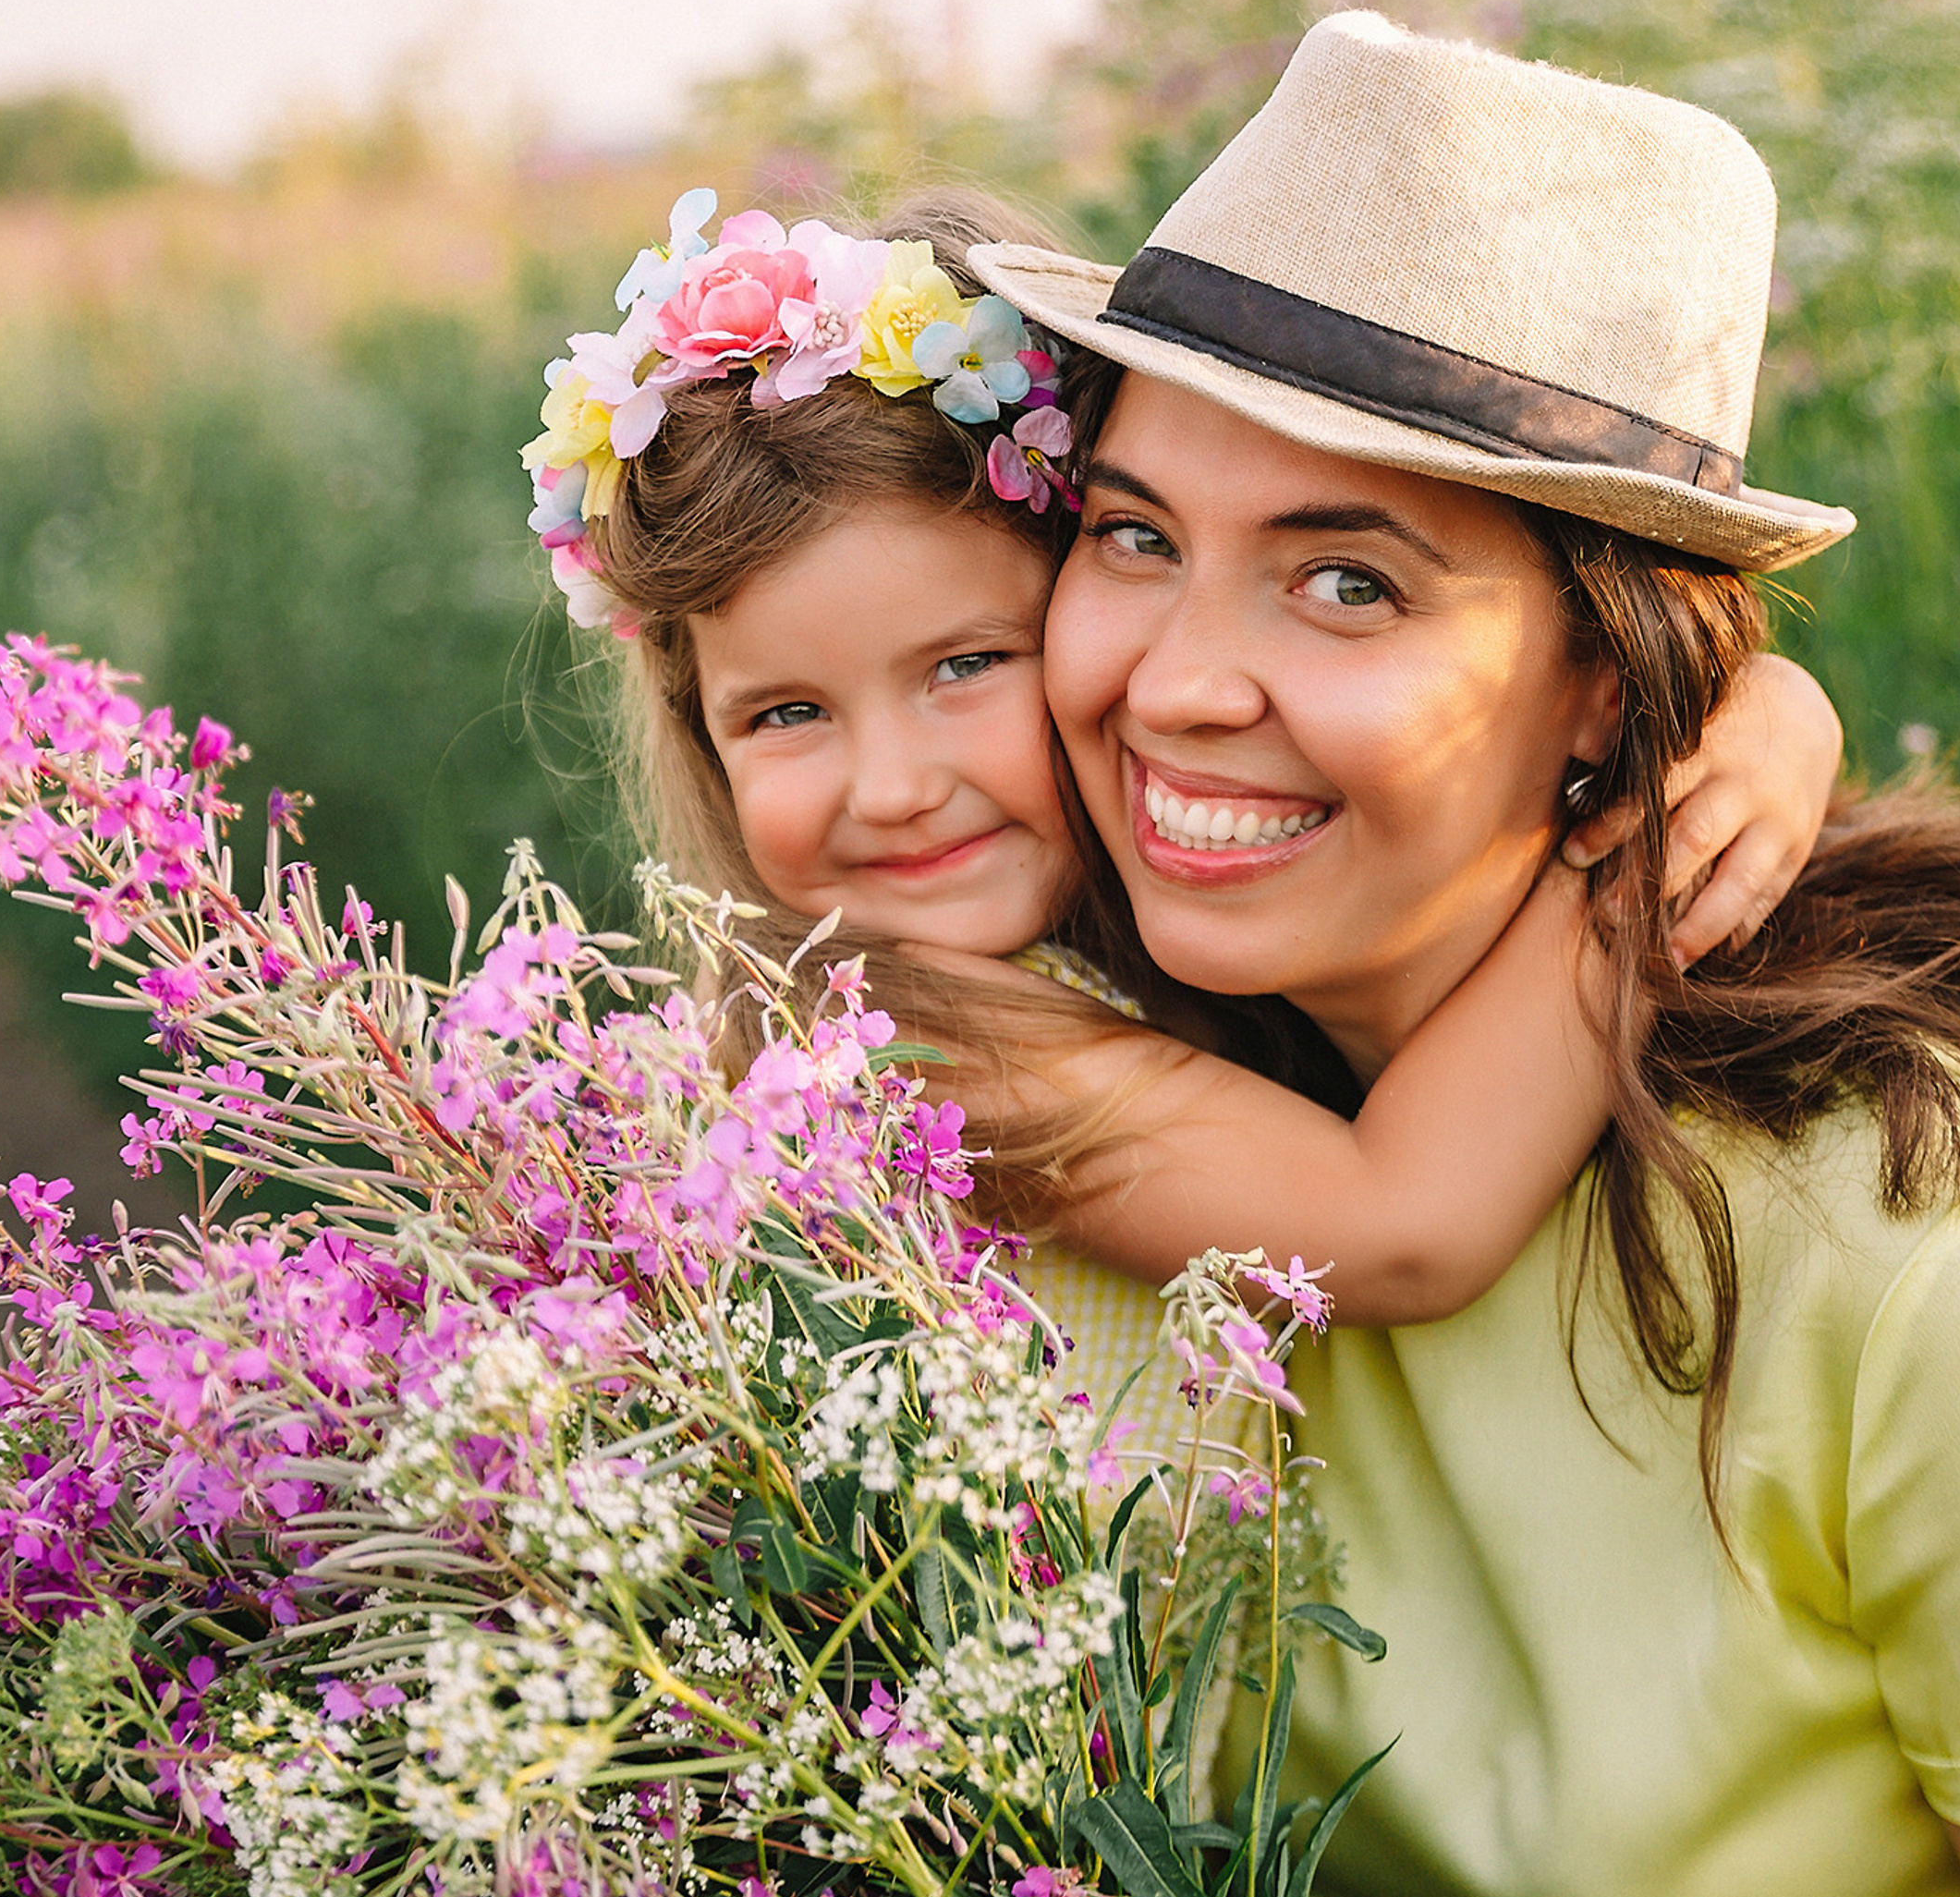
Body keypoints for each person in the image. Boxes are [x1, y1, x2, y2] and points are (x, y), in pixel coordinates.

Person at [971, 11, 1960, 1897]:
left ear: (1614, 678)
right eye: (1129, 536)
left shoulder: (1933, 1233)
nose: (1175, 682)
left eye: (1342, 578)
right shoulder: (1065, 1079)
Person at [520, 186, 1842, 1474]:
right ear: (706, 738)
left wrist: (1746, 700)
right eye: (788, 714)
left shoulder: (1127, 955)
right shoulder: (892, 1048)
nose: (891, 787)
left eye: (967, 667)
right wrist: (1662, 820)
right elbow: (1405, 1224)